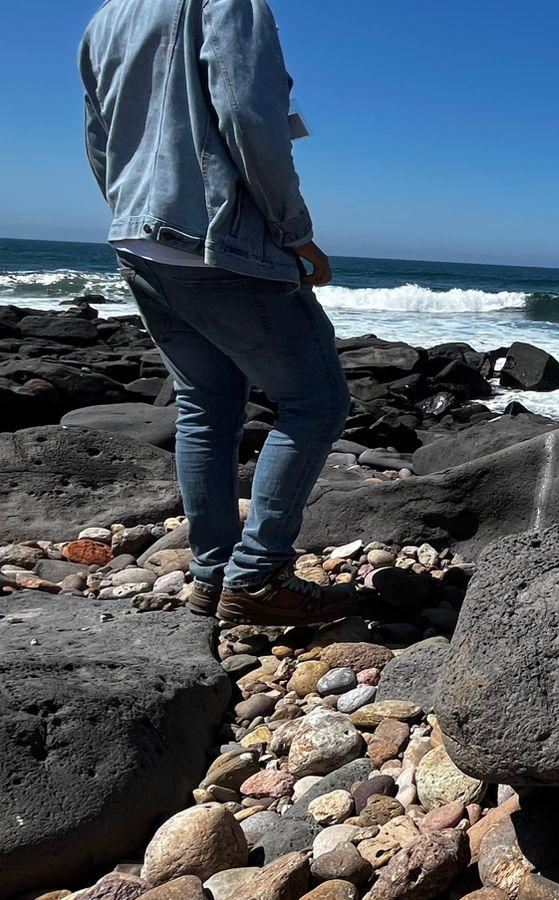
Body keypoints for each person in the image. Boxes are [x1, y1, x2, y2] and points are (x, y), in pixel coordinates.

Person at [81, 0, 356, 626]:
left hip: (139, 240)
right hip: (217, 243)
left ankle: (211, 575)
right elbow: (247, 115)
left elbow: (98, 138)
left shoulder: (106, 19)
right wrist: (293, 230)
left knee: (206, 404)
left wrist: (134, 215)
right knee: (317, 402)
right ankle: (257, 577)